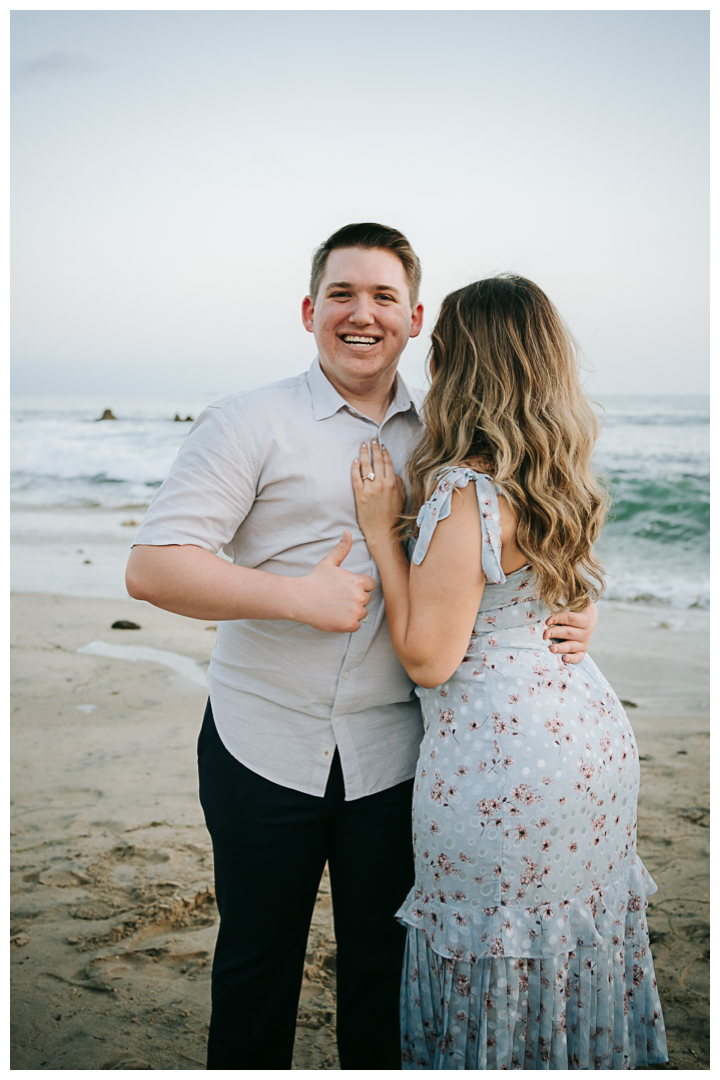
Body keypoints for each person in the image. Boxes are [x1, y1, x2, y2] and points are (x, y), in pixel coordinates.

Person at [125, 226, 599, 1070]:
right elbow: (153, 569)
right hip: (260, 744)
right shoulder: (247, 422)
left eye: (384, 298)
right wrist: (294, 598)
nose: (362, 314)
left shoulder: (451, 438)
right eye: (343, 294)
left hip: (401, 760)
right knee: (255, 972)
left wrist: (567, 617)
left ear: (416, 320)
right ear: (311, 310)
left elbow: (516, 543)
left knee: (385, 981)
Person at [350, 275, 668, 1070]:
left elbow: (429, 658)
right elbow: (556, 597)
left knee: (494, 957)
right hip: (586, 743)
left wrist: (382, 537)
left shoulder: (468, 494)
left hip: (501, 764)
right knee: (564, 951)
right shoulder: (559, 472)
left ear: (465, 363)